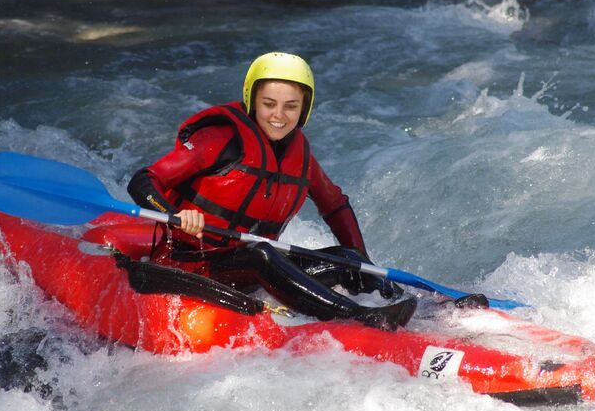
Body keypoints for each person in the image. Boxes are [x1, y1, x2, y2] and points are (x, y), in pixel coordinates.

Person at [127, 52, 417, 330]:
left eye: (291, 106)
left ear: (305, 108)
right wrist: (175, 215)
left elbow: (335, 206)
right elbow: (143, 180)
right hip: (194, 265)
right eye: (268, 104)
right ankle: (355, 317)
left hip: (252, 272)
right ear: (252, 100)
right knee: (261, 254)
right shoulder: (219, 139)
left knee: (347, 259)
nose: (279, 115)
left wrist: (364, 266)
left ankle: (411, 307)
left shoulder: (301, 158)